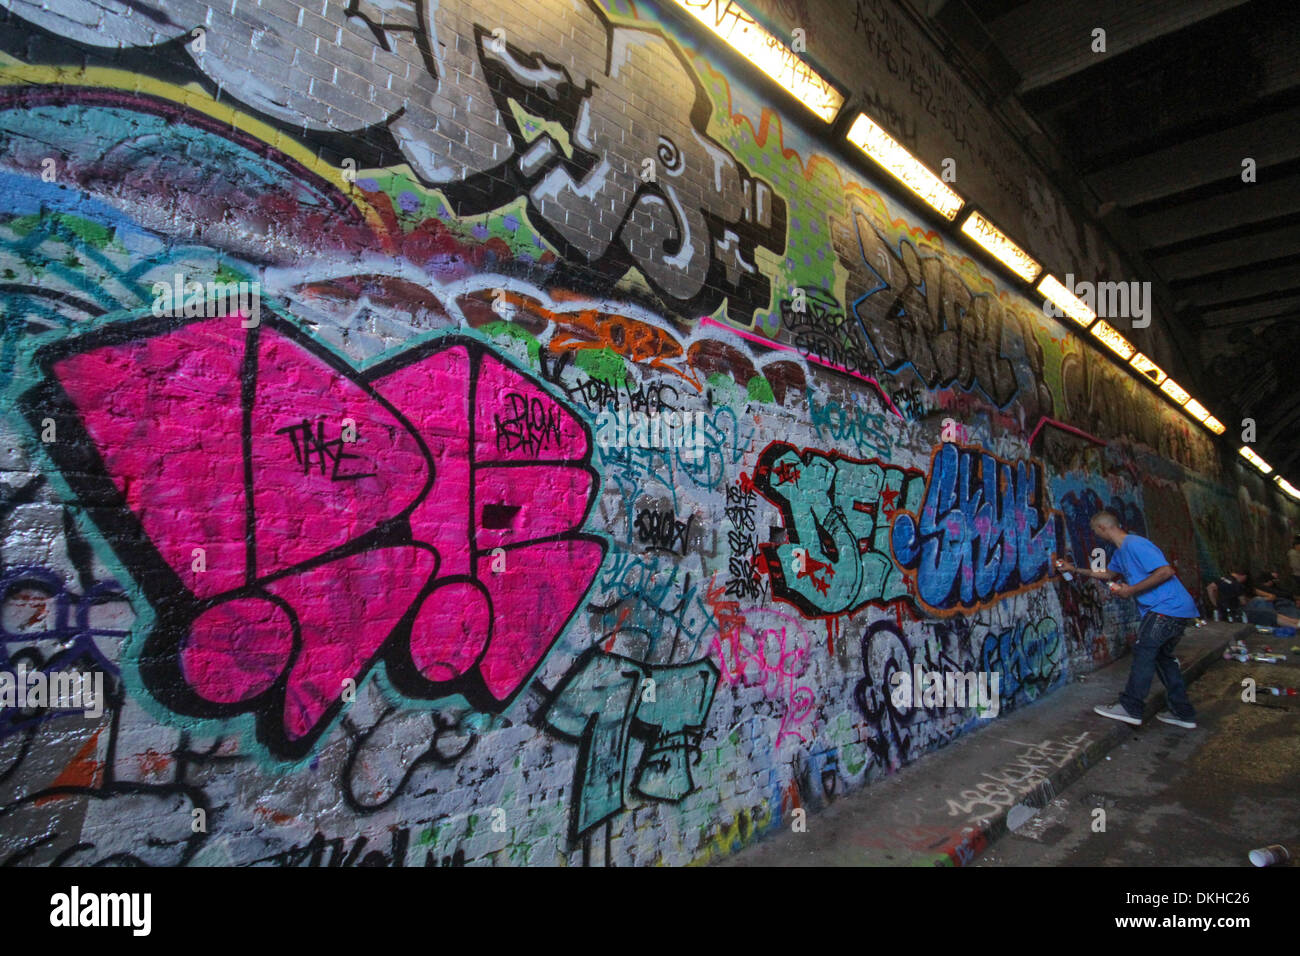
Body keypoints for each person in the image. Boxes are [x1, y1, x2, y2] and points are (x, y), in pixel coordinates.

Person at [1055, 511, 1199, 729]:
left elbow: (1165, 572)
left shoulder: (1134, 544)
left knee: (1144, 652)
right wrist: (1073, 569)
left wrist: (1131, 590)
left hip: (1166, 609)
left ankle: (1131, 707)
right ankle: (1183, 713)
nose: (1095, 535)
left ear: (1103, 528)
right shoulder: (1121, 552)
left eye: (1095, 531)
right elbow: (1108, 574)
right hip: (1174, 610)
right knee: (1163, 659)